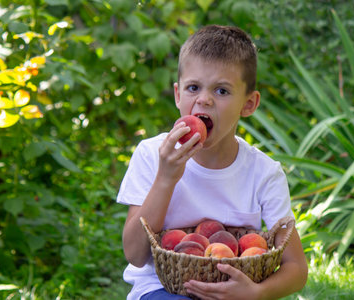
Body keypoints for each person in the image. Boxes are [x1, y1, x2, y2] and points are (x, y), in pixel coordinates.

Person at [117, 24, 308, 300]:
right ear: (178, 95)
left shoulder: (264, 173)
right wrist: (166, 177)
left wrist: (255, 293)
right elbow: (135, 255)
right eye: (193, 87)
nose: (204, 100)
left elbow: (296, 268)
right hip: (160, 289)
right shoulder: (152, 154)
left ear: (249, 104)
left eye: (221, 91)